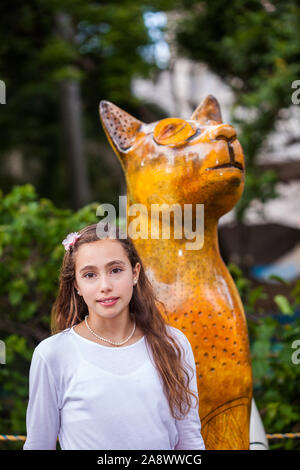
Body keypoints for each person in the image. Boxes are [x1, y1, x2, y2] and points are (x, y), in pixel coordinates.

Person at [23, 222, 206, 450]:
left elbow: (190, 443)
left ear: (135, 273)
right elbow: (39, 445)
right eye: (90, 275)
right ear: (77, 285)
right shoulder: (52, 355)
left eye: (116, 270)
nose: (105, 285)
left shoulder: (173, 343)